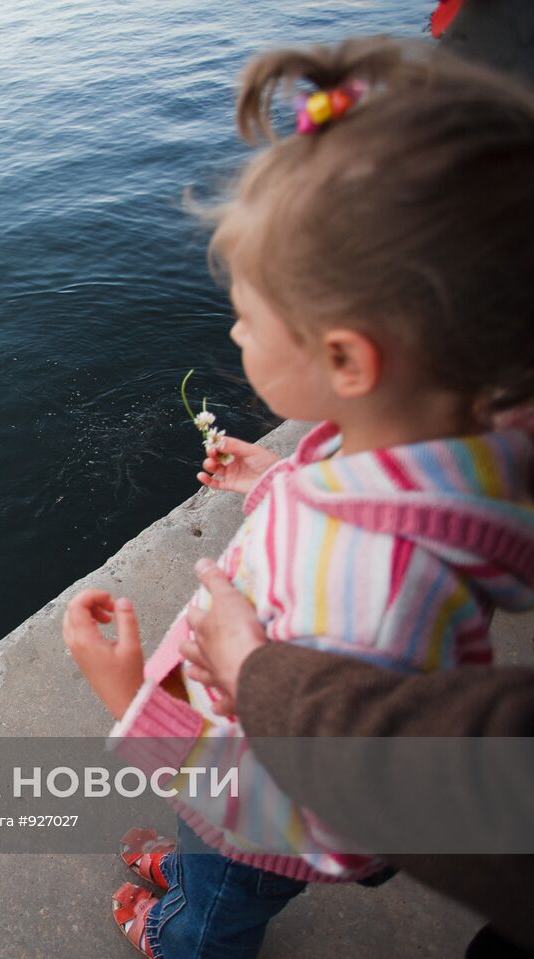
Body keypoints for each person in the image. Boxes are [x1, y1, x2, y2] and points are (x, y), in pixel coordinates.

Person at [61, 37, 534, 959]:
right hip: (239, 765)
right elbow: (365, 525)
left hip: (259, 820)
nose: (234, 331)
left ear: (348, 360)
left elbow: (317, 816)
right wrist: (278, 482)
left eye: (246, 316)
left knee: (221, 903)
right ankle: (199, 873)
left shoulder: (374, 598)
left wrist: (131, 699)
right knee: (211, 858)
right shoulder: (408, 454)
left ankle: (183, 929)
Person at [180, 547, 534, 958]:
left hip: (259, 820)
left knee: (218, 911)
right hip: (251, 796)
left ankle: (180, 938)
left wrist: (130, 693)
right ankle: (188, 887)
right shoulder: (433, 586)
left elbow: (420, 776)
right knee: (206, 871)